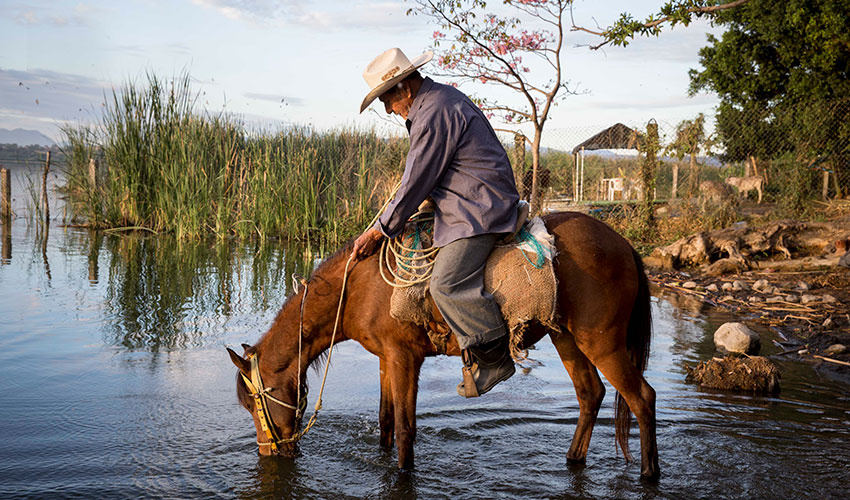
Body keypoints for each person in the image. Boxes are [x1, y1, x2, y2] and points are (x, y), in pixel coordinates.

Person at [350, 47, 520, 398]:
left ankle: (493, 358)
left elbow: (415, 183)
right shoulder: (438, 101)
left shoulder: (433, 112)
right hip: (468, 198)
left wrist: (380, 229)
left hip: (478, 208)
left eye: (387, 99)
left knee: (446, 284)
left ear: (405, 89)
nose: (388, 109)